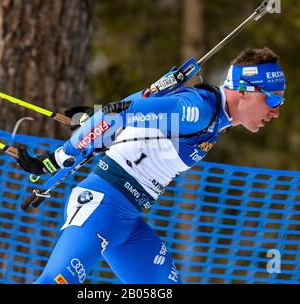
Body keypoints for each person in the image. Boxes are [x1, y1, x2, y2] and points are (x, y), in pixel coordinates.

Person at [16, 47, 286, 284]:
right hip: (101, 206)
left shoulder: (215, 118)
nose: (276, 111)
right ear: (242, 90)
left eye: (280, 101)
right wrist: (61, 157)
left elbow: (132, 111)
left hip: (127, 221)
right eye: (272, 99)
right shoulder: (198, 110)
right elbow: (117, 113)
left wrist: (101, 128)